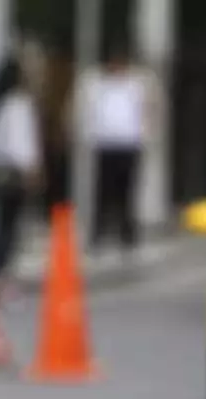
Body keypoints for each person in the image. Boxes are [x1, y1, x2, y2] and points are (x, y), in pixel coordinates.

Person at [76, 42, 153, 260]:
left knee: (127, 193)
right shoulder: (97, 84)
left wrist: (145, 134)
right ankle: (98, 236)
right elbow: (87, 110)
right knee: (103, 192)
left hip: (129, 144)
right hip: (105, 144)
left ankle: (128, 237)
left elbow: (147, 109)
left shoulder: (136, 84)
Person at [0, 54, 43, 299]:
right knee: (9, 227)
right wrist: (31, 169)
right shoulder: (18, 103)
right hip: (14, 173)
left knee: (0, 225)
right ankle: (2, 278)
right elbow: (20, 142)